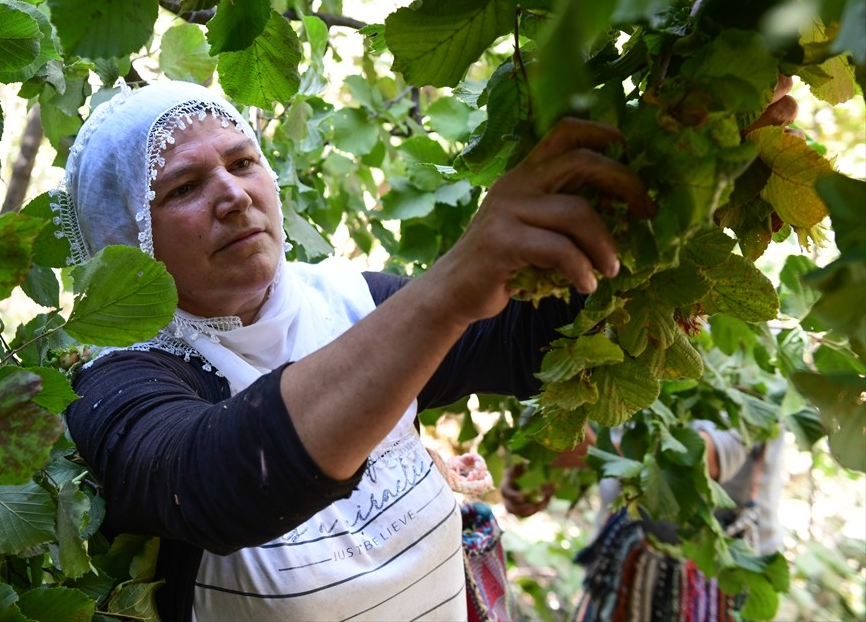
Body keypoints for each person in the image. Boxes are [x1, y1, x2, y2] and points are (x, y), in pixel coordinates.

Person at [57, 79, 654, 621]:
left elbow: (523, 343)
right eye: (185, 187)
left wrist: (652, 169)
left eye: (242, 162)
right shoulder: (114, 386)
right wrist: (452, 286)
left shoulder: (349, 301)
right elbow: (217, 481)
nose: (234, 195)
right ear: (124, 236)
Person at [501, 421, 785, 622]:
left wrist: (589, 453)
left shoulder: (751, 365)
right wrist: (541, 472)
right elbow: (597, 435)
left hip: (718, 579)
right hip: (620, 570)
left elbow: (705, 458)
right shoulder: (618, 358)